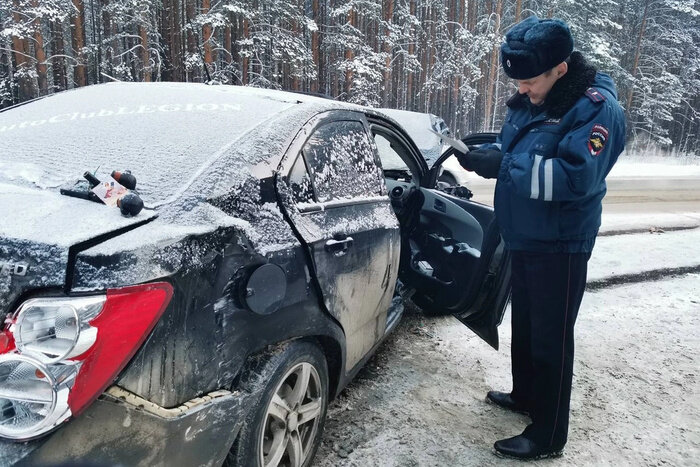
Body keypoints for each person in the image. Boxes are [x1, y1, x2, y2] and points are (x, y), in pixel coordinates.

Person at [457, 16, 625, 460]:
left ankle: (548, 435)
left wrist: (506, 167)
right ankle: (526, 395)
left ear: (561, 69)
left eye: (530, 80)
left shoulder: (595, 109)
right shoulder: (536, 99)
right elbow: (524, 150)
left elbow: (575, 179)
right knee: (527, 326)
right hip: (526, 236)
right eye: (518, 80)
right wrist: (486, 157)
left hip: (561, 244)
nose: (523, 89)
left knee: (552, 337)